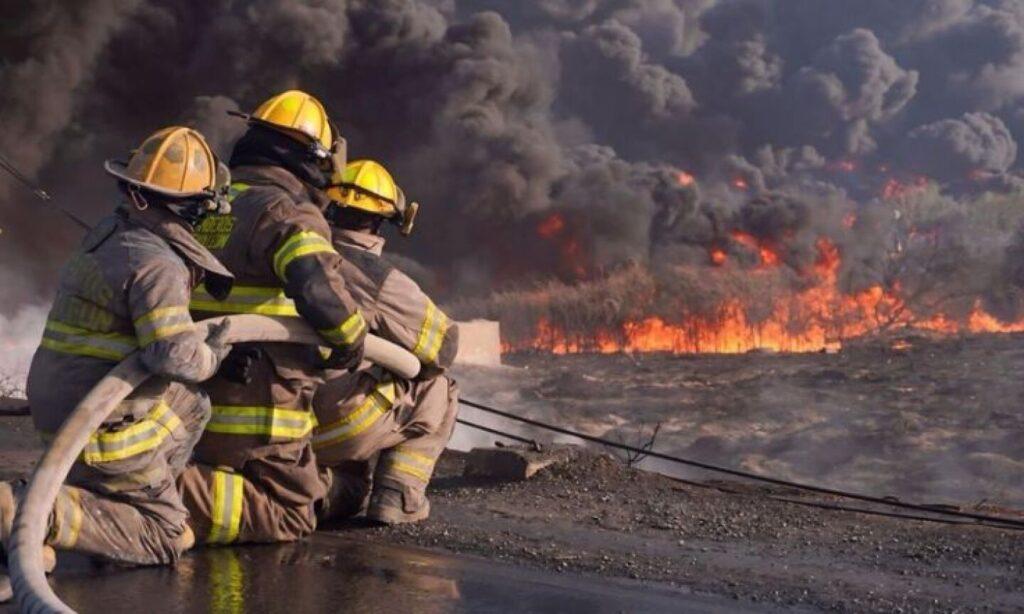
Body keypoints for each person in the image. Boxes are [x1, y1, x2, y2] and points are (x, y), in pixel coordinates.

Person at [4, 126, 234, 570]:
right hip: (98, 423)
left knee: (192, 405)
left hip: (62, 403)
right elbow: (173, 356)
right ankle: (32, 512)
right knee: (167, 537)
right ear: (194, 208)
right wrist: (216, 353)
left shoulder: (111, 232)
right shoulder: (158, 264)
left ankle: (117, 492)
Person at [181, 90, 367, 545]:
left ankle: (156, 482)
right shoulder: (287, 211)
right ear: (311, 158)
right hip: (257, 406)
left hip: (189, 399)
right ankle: (162, 496)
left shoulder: (204, 204)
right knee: (289, 515)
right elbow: (318, 288)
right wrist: (351, 339)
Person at [312, 160, 459, 525]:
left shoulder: (282, 249)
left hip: (265, 413)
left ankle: (316, 491)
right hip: (330, 425)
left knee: (350, 486)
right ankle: (398, 495)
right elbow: (444, 346)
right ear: (383, 221)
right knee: (439, 384)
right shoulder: (377, 278)